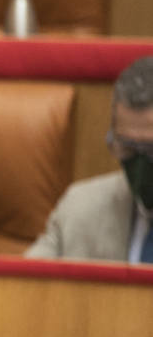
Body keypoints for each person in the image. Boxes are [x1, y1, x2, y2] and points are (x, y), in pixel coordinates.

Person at [28, 56, 153, 261]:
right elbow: (22, 288)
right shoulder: (81, 209)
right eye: (128, 148)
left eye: (151, 150)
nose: (140, 166)